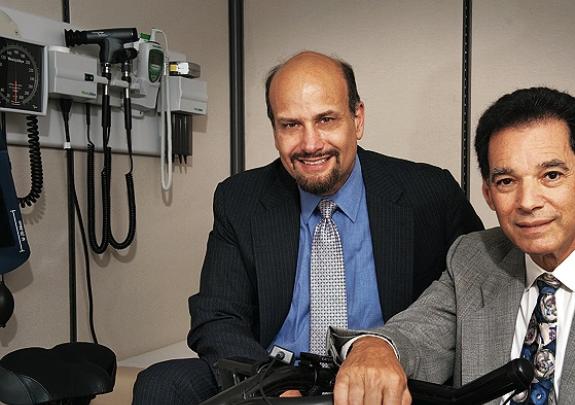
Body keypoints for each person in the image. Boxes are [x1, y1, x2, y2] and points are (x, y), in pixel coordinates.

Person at [132, 51, 483, 404]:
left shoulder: (429, 193)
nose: (310, 144)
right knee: (162, 383)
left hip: (381, 383)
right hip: (273, 377)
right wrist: (273, 387)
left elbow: (476, 293)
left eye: (326, 119)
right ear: (274, 130)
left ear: (357, 119)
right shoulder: (240, 199)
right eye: (290, 125)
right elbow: (217, 315)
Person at [332, 87, 575, 405]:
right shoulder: (474, 257)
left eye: (551, 175)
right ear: (487, 193)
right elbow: (417, 335)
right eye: (506, 181)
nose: (527, 201)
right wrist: (374, 348)